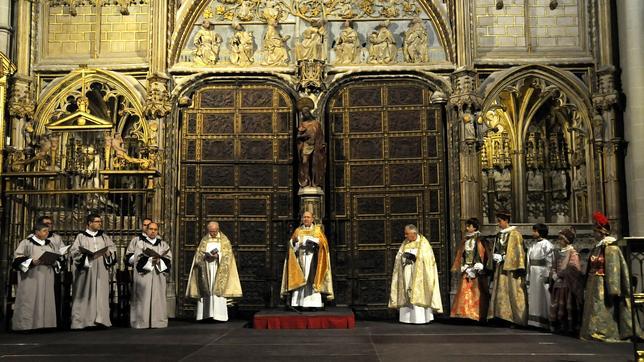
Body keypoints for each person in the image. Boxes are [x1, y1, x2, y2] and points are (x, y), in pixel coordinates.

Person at [580, 211, 641, 341]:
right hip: (594, 281)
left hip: (603, 282)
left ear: (601, 232)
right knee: (594, 308)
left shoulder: (610, 246)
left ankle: (604, 332)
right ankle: (593, 330)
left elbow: (613, 268)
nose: (593, 233)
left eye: (595, 231)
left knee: (603, 308)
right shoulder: (598, 246)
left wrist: (613, 287)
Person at [186, 221, 242, 321]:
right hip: (206, 268)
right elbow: (198, 255)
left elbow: (228, 255)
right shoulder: (204, 240)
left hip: (218, 268)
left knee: (217, 293)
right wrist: (204, 256)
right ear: (208, 230)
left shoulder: (224, 240)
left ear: (218, 229)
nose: (213, 233)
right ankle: (205, 315)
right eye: (211, 231)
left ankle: (219, 316)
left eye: (215, 231)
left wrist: (218, 256)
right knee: (207, 291)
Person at [70, 213, 117, 329]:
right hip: (86, 269)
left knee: (101, 293)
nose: (99, 224)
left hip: (101, 268)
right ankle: (83, 321)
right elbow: (74, 252)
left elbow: (112, 248)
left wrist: (108, 252)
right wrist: (85, 255)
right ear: (89, 223)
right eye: (97, 221)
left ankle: (101, 320)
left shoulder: (104, 237)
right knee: (85, 292)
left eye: (100, 222)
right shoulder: (81, 236)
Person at [389, 224, 442, 324]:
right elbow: (398, 257)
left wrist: (416, 259)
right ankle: (406, 318)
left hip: (420, 275)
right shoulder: (405, 243)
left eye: (407, 234)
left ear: (414, 233)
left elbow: (429, 260)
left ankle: (420, 318)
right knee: (407, 292)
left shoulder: (424, 244)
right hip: (407, 271)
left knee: (418, 293)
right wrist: (404, 258)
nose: (405, 236)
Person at [11, 223, 60, 331]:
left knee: (46, 298)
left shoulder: (50, 244)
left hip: (47, 274)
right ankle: (26, 325)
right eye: (44, 231)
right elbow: (17, 259)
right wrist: (31, 261)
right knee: (29, 299)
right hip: (31, 275)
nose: (47, 233)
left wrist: (55, 261)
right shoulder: (26, 243)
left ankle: (45, 324)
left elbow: (57, 257)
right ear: (37, 232)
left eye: (47, 231)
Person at [281, 211, 334, 308]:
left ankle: (314, 304)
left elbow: (324, 244)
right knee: (301, 279)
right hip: (300, 259)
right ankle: (298, 303)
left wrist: (316, 243)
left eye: (308, 217)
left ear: (312, 219)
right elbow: (291, 245)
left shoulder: (317, 230)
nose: (306, 219)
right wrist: (294, 242)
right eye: (304, 217)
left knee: (311, 280)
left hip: (313, 259)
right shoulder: (298, 230)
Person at [126, 222, 172, 328]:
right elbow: (137, 258)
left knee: (158, 297)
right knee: (143, 297)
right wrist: (151, 259)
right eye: (151, 229)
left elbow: (169, 258)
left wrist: (159, 260)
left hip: (158, 274)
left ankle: (158, 321)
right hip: (144, 274)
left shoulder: (163, 244)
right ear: (146, 230)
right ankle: (142, 322)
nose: (153, 231)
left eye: (155, 229)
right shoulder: (140, 243)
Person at [487, 210, 527, 326]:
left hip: (511, 270)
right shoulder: (499, 234)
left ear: (506, 221)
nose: (498, 224)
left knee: (512, 291)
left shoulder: (515, 234)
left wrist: (505, 257)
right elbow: (496, 248)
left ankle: (514, 318)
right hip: (500, 268)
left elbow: (518, 252)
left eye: (500, 221)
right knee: (499, 291)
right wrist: (494, 256)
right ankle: (500, 315)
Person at [450, 218, 488, 322]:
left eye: (469, 226)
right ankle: (465, 313)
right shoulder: (466, 239)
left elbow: (484, 253)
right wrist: (463, 265)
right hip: (467, 268)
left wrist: (480, 264)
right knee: (464, 290)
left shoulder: (480, 239)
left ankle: (477, 314)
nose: (467, 228)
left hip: (476, 269)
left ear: (474, 227)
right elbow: (461, 253)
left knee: (476, 291)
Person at [36, 215, 71, 329]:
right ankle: (36, 322)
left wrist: (60, 256)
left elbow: (61, 251)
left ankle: (53, 322)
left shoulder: (56, 238)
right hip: (36, 273)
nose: (48, 226)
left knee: (54, 296)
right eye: (46, 224)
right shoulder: (31, 239)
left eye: (50, 224)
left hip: (52, 271)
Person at [549, 228, 583, 335]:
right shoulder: (558, 252)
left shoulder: (572, 252)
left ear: (566, 240)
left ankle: (568, 326)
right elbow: (554, 264)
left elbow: (574, 267)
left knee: (567, 304)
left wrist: (560, 275)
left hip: (567, 283)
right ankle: (558, 325)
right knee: (557, 303)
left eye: (561, 239)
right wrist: (553, 274)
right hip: (558, 282)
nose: (559, 241)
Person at [526, 223, 554, 329]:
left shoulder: (547, 245)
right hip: (533, 274)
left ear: (540, 232)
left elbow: (550, 262)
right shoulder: (533, 245)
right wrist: (528, 275)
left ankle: (545, 321)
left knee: (544, 298)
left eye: (534, 231)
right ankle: (534, 322)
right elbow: (529, 261)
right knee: (534, 297)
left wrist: (547, 275)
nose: (533, 233)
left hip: (542, 275)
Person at [296, 97, 326, 188]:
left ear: (309, 113)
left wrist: (322, 144)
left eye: (307, 112)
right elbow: (298, 136)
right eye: (304, 113)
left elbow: (320, 135)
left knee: (315, 164)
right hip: (306, 146)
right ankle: (306, 180)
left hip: (316, 146)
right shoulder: (303, 124)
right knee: (305, 162)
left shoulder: (316, 123)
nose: (305, 114)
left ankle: (314, 182)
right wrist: (303, 136)